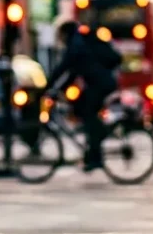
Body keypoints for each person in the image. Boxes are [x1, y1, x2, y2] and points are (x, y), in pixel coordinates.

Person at [45, 16, 120, 172]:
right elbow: (72, 72)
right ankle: (93, 148)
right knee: (80, 108)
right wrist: (57, 89)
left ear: (65, 33)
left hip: (101, 84)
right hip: (100, 83)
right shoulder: (79, 43)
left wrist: (47, 86)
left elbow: (63, 68)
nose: (60, 40)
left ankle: (96, 154)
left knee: (88, 113)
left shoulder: (76, 45)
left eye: (60, 36)